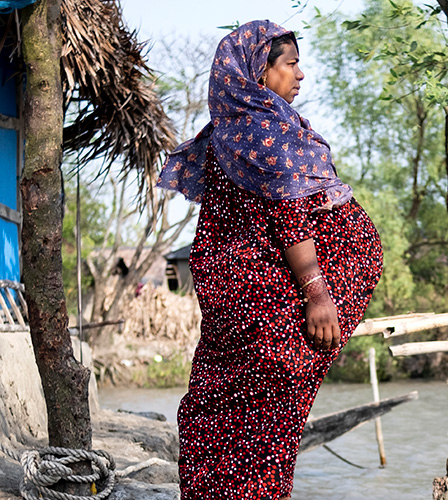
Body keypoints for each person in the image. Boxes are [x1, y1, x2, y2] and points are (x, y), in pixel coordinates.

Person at [156, 20, 383, 499]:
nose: (300, 75)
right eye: (291, 63)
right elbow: (288, 210)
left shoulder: (226, 133)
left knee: (222, 415)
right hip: (269, 315)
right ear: (260, 73)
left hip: (243, 310)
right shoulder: (266, 130)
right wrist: (318, 293)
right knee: (262, 425)